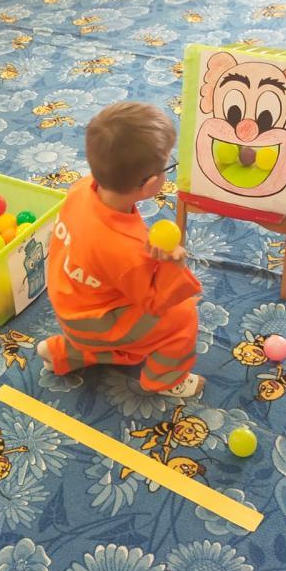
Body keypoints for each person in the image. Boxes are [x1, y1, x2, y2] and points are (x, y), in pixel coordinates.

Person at [37, 102, 204, 398]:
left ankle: (67, 353)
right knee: (182, 316)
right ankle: (165, 381)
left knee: (135, 330)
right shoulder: (126, 251)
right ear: (149, 183)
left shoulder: (83, 188)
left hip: (71, 302)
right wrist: (172, 265)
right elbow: (154, 302)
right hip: (94, 321)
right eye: (168, 166)